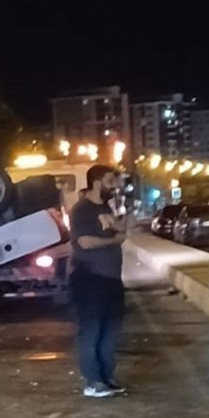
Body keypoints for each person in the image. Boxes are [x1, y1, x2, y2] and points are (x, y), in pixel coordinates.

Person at [70, 164, 127, 398]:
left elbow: (121, 233)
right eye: (110, 182)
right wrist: (112, 241)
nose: (113, 186)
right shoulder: (82, 209)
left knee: (110, 330)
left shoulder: (107, 207)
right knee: (91, 330)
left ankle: (107, 377)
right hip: (90, 278)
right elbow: (85, 242)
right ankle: (93, 381)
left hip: (112, 279)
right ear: (96, 183)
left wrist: (119, 219)